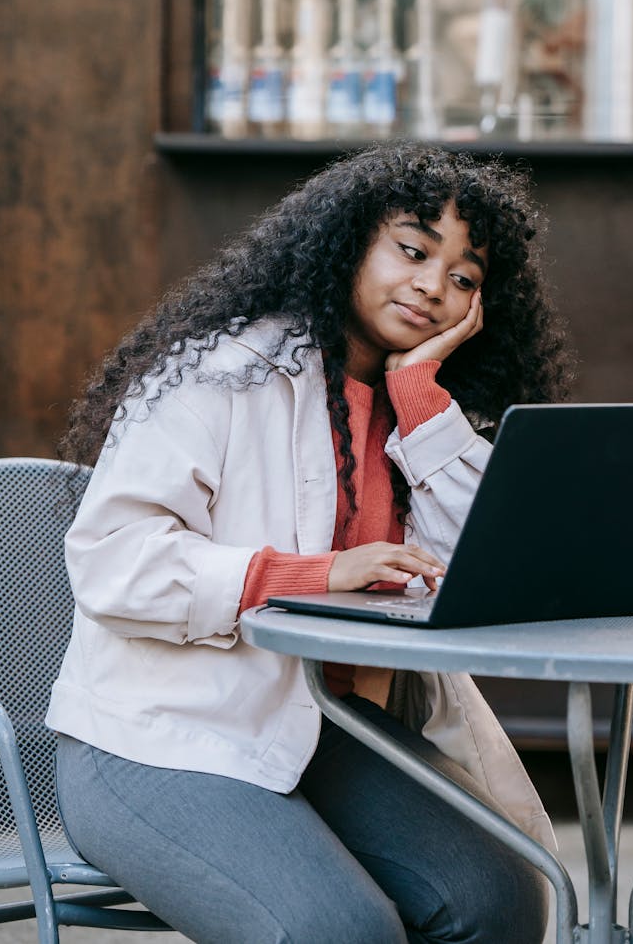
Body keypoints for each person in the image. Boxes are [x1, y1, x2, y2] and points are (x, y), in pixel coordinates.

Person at [47, 141, 574, 944]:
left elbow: (491, 568)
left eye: (464, 277)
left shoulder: (423, 409)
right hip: (157, 734)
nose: (434, 286)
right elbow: (113, 559)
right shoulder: (221, 373)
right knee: (339, 931)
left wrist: (418, 398)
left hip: (324, 726)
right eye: (413, 249)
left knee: (499, 899)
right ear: (350, 239)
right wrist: (316, 572)